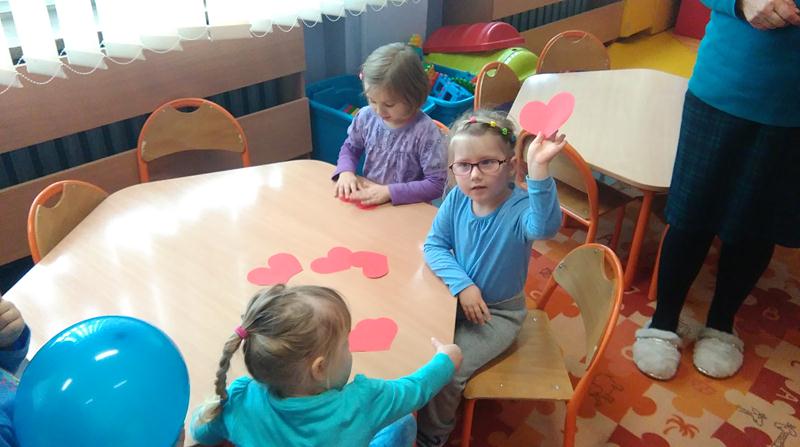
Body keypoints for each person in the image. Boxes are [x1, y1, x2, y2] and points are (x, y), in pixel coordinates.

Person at [633, 0, 800, 380]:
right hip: (723, 88)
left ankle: (722, 323)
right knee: (690, 215)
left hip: (793, 112)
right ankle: (663, 321)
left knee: (758, 226)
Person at [417, 110, 563, 446]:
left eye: (487, 163)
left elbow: (545, 227)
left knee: (448, 370)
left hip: (497, 315)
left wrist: (539, 170)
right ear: (452, 169)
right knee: (414, 338)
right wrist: (464, 286)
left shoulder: (520, 209)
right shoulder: (458, 198)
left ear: (511, 166)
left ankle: (431, 437)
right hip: (456, 299)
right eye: (464, 165)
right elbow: (434, 246)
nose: (475, 175)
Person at [190, 284, 463, 447]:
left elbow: (200, 431)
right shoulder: (363, 403)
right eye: (346, 343)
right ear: (319, 368)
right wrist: (446, 358)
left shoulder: (240, 399)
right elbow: (416, 388)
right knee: (403, 423)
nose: (350, 349)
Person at [332, 42, 447, 206]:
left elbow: (437, 184)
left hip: (408, 207)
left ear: (413, 96)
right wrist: (346, 171)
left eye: (389, 104)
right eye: (372, 100)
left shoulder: (425, 131)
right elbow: (351, 147)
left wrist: (389, 192)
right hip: (372, 199)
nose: (379, 111)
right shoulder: (366, 116)